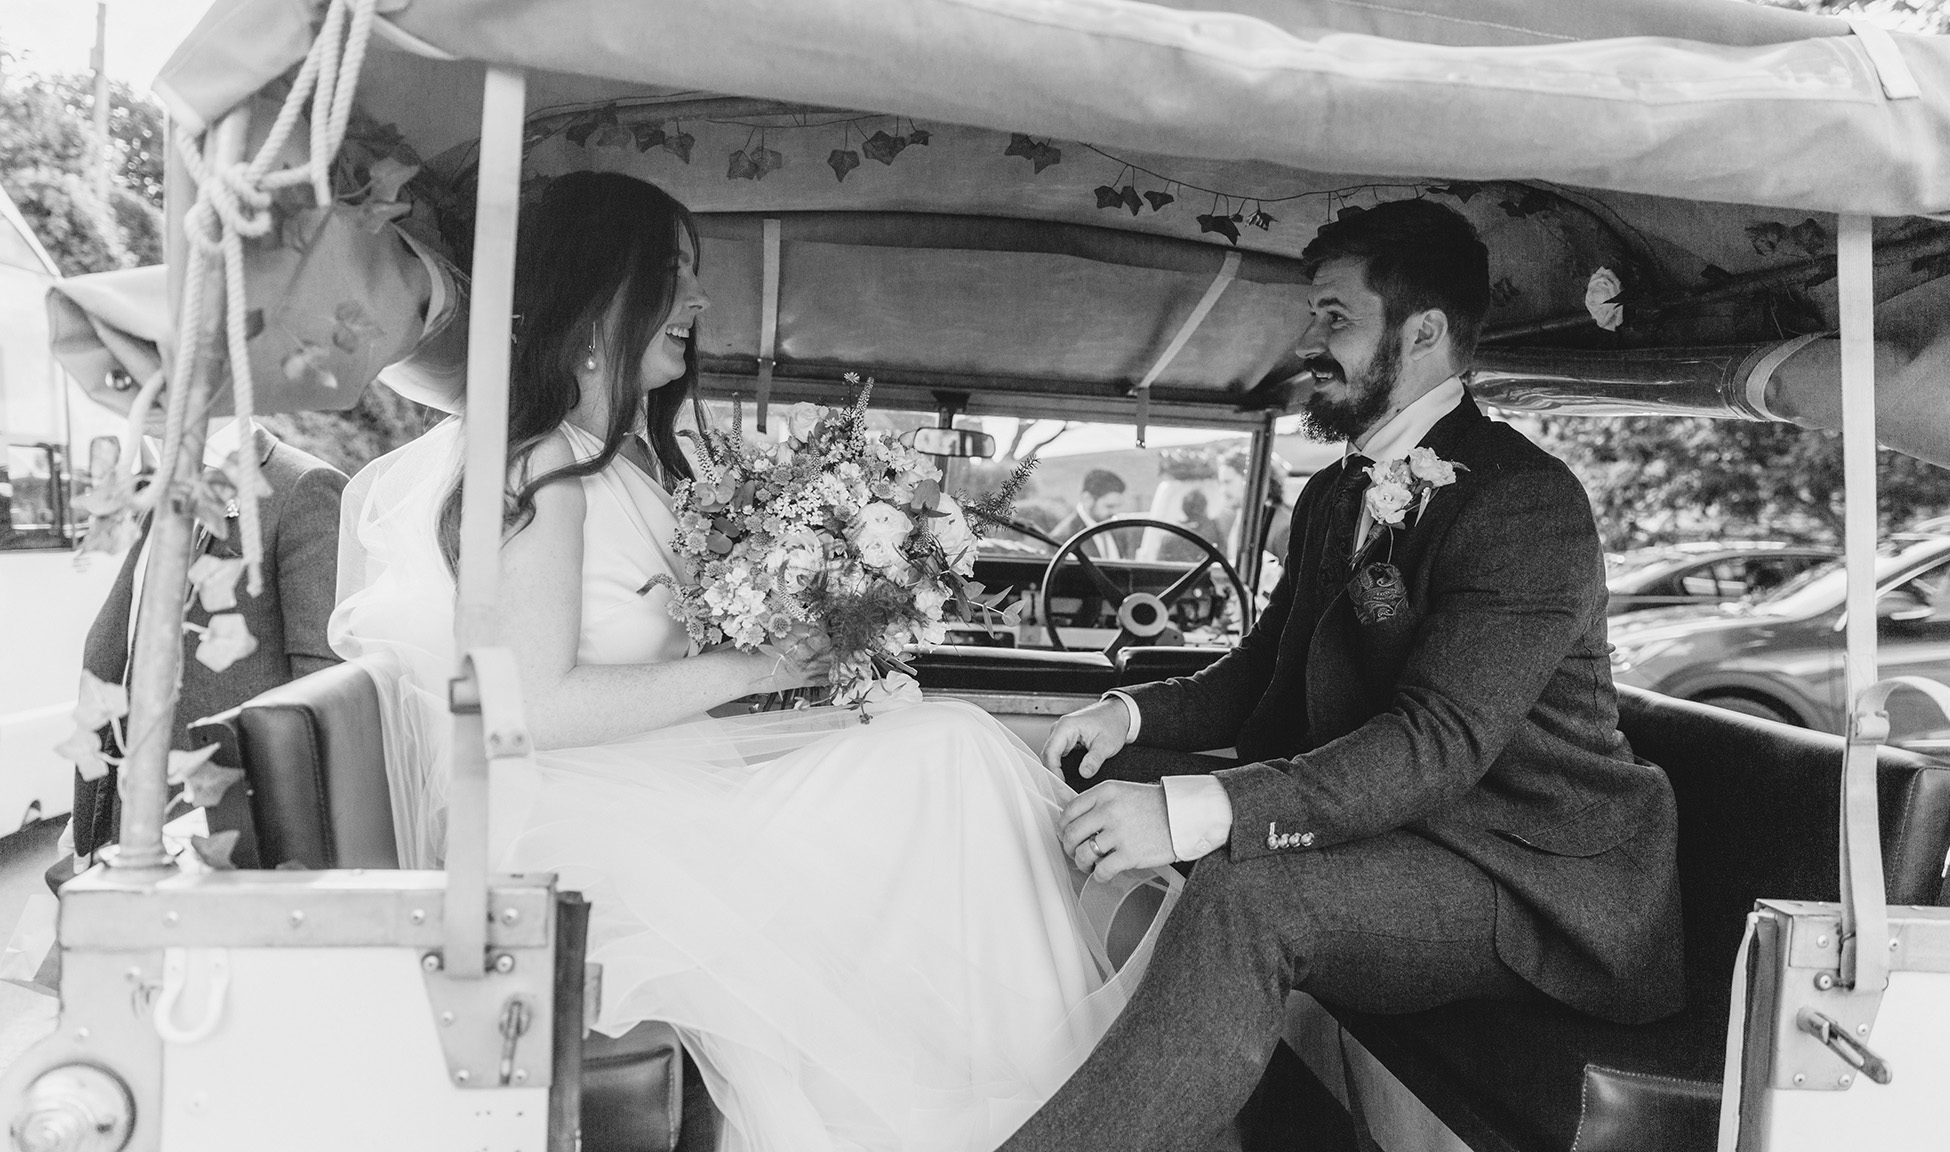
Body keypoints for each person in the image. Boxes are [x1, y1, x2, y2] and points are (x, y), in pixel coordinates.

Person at [329, 172, 1177, 1151]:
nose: (695, 304)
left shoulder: (632, 465)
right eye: (672, 276)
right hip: (576, 824)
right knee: (947, 754)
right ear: (601, 291)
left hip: (650, 779)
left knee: (945, 746)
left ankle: (1055, 1093)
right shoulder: (539, 469)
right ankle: (1068, 1107)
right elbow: (536, 711)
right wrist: (760, 666)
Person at [1001, 201, 1682, 1150]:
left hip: (1523, 870)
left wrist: (1201, 809)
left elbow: (1435, 742)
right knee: (1074, 797)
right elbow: (1262, 668)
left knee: (1251, 896)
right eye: (1313, 317)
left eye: (1335, 319)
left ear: (1427, 332)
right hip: (1407, 823)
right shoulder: (1334, 493)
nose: (1310, 343)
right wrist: (1128, 716)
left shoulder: (1525, 503)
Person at [66, 413, 347, 868]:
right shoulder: (160, 499)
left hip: (235, 834)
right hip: (131, 826)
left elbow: (319, 696)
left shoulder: (303, 487)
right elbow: (126, 657)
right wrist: (93, 815)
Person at [1050, 467, 1127, 558]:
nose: (1115, 512)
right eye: (1109, 506)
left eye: (1118, 506)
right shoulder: (1063, 538)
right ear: (1087, 499)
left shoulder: (1116, 530)